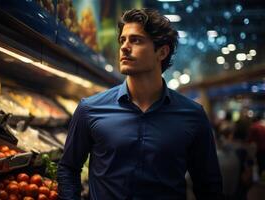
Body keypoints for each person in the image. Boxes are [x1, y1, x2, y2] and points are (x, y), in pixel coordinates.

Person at [57, 8, 223, 200]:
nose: (125, 47)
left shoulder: (193, 115)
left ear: (162, 52)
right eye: (122, 40)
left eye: (136, 40)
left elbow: (209, 186)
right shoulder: (90, 109)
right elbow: (68, 168)